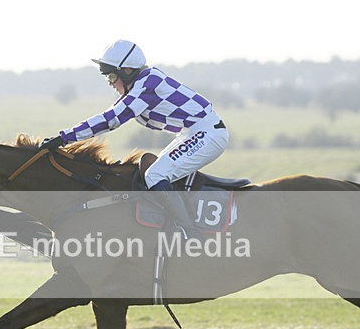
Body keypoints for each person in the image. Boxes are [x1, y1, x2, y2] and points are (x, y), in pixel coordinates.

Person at [41, 39, 229, 240]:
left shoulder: (147, 85)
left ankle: (191, 235)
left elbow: (111, 120)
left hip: (208, 133)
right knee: (151, 173)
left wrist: (64, 138)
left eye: (112, 76)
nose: (110, 83)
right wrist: (64, 137)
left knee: (155, 175)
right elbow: (110, 114)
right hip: (192, 133)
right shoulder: (141, 84)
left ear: (127, 71)